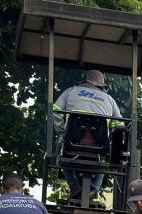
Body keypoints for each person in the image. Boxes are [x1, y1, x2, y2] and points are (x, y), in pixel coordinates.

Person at [52, 69, 121, 205]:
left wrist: (63, 131)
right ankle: (95, 187)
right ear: (102, 86)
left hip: (71, 145)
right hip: (99, 148)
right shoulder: (110, 100)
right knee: (107, 155)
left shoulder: (70, 92)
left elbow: (55, 113)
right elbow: (119, 125)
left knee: (61, 149)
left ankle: (73, 185)